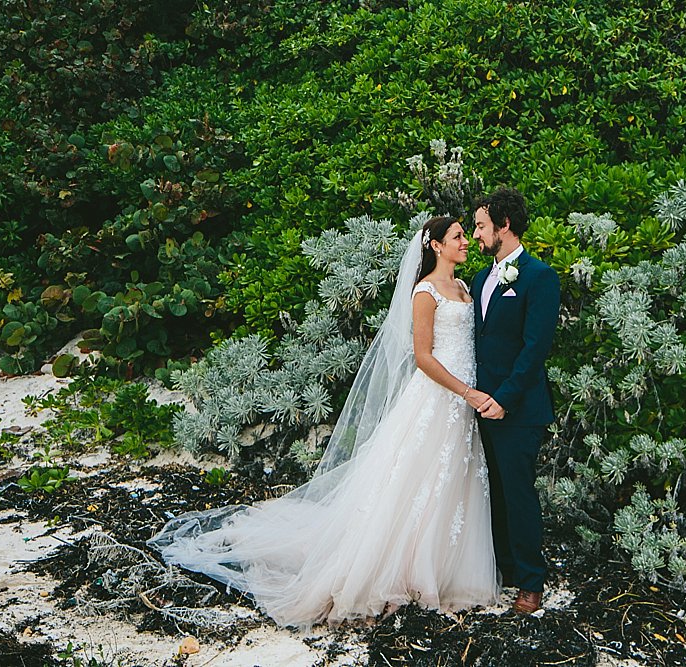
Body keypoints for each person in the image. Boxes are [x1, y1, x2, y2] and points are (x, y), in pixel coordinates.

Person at [148, 216, 499, 630]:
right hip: (441, 398)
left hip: (463, 403)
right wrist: (466, 391)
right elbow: (423, 358)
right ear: (436, 246)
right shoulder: (424, 293)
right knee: (415, 483)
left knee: (450, 482)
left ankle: (445, 568)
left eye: (465, 234)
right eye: (457, 236)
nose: (465, 241)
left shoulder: (463, 287)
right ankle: (403, 571)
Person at [470, 187, 561, 615]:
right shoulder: (480, 278)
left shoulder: (539, 277)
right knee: (492, 492)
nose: (475, 235)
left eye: (481, 226)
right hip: (480, 406)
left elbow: (534, 349)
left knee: (518, 492)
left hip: (519, 408)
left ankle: (530, 580)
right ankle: (503, 568)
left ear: (504, 225)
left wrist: (503, 399)